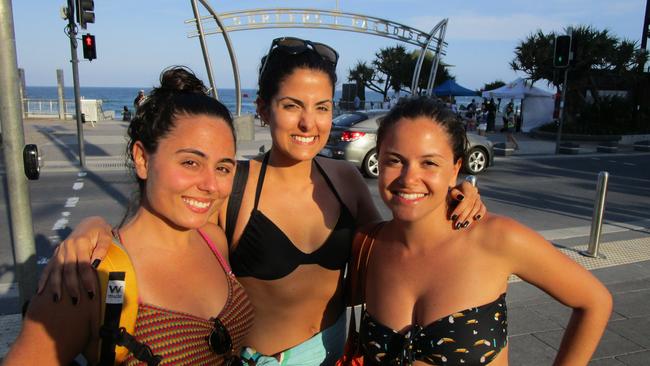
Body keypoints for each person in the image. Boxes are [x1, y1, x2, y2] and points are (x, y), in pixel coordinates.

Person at [37, 37, 484, 365]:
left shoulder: (345, 180)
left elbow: (397, 247)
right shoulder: (235, 184)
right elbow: (161, 228)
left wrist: (455, 195)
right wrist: (93, 227)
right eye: (292, 106)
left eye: (323, 107)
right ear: (265, 109)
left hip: (337, 355)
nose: (309, 122)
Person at [5, 66, 254, 365]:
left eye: (223, 168)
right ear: (142, 159)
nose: (211, 185)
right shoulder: (88, 275)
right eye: (190, 162)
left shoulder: (213, 240)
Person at [354, 96, 612, 365]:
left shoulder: (497, 238)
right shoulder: (368, 245)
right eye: (394, 161)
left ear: (455, 169)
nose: (408, 178)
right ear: (378, 162)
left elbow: (595, 301)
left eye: (429, 163)